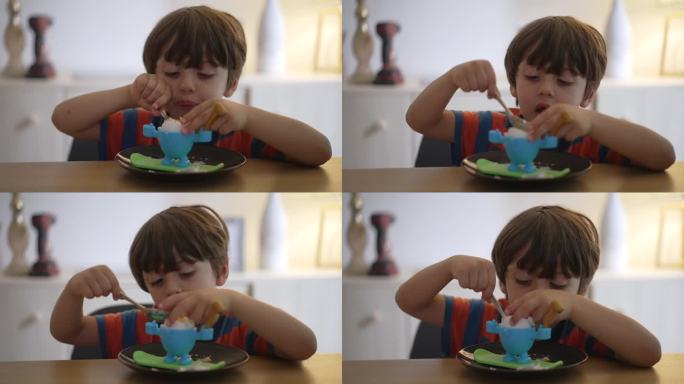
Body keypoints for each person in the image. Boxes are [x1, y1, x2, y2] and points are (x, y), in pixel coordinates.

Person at [52, 6, 331, 166]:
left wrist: (249, 117)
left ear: (232, 83)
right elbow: (63, 119)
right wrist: (129, 94)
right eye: (172, 73)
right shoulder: (135, 124)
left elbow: (320, 151)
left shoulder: (243, 133)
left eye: (206, 74)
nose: (186, 85)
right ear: (153, 73)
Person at [396, 205, 661, 367]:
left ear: (582, 288)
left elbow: (649, 352)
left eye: (557, 284)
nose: (539, 293)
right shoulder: (484, 318)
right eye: (523, 280)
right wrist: (448, 266)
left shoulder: (588, 331)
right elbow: (408, 301)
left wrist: (577, 307)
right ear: (503, 281)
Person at [50, 205, 317, 361]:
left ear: (221, 271)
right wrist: (73, 291)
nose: (173, 288)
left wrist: (235, 301)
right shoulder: (139, 326)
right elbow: (68, 332)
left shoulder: (240, 327)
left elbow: (305, 345)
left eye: (187, 273)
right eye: (157, 281)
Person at [406, 16, 674, 171]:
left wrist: (591, 121)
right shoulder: (490, 126)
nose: (546, 89)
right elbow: (419, 120)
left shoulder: (597, 138)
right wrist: (452, 78)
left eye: (564, 81)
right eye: (533, 77)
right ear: (512, 85)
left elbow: (664, 156)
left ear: (588, 94)